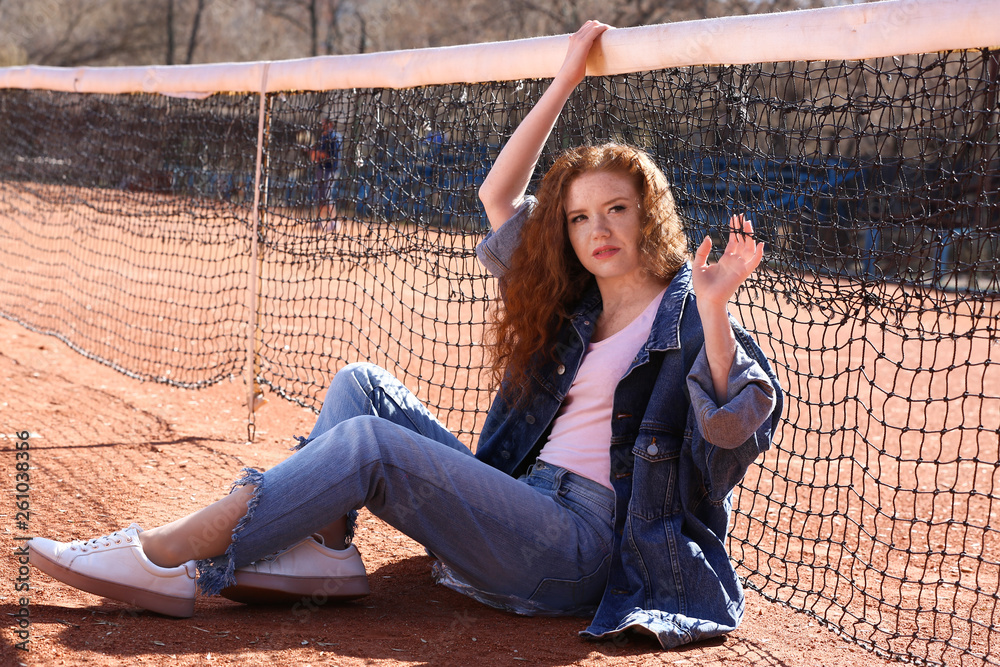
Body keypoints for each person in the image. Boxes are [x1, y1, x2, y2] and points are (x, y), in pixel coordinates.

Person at [28, 21, 782, 649]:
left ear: (646, 213)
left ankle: (167, 554)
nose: (598, 229)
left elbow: (728, 429)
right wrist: (565, 83)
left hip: (579, 549)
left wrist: (716, 311)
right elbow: (496, 195)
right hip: (525, 502)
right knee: (361, 385)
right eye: (580, 216)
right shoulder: (575, 301)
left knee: (370, 447)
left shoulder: (688, 313)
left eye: (615, 209)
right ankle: (324, 549)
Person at [310, 118, 341, 230]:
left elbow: (330, 156)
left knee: (327, 196)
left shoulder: (334, 137)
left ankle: (334, 223)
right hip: (321, 169)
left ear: (330, 124)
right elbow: (315, 157)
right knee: (320, 196)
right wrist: (314, 153)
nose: (323, 125)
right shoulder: (322, 137)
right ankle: (320, 222)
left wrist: (317, 153)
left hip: (330, 170)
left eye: (325, 123)